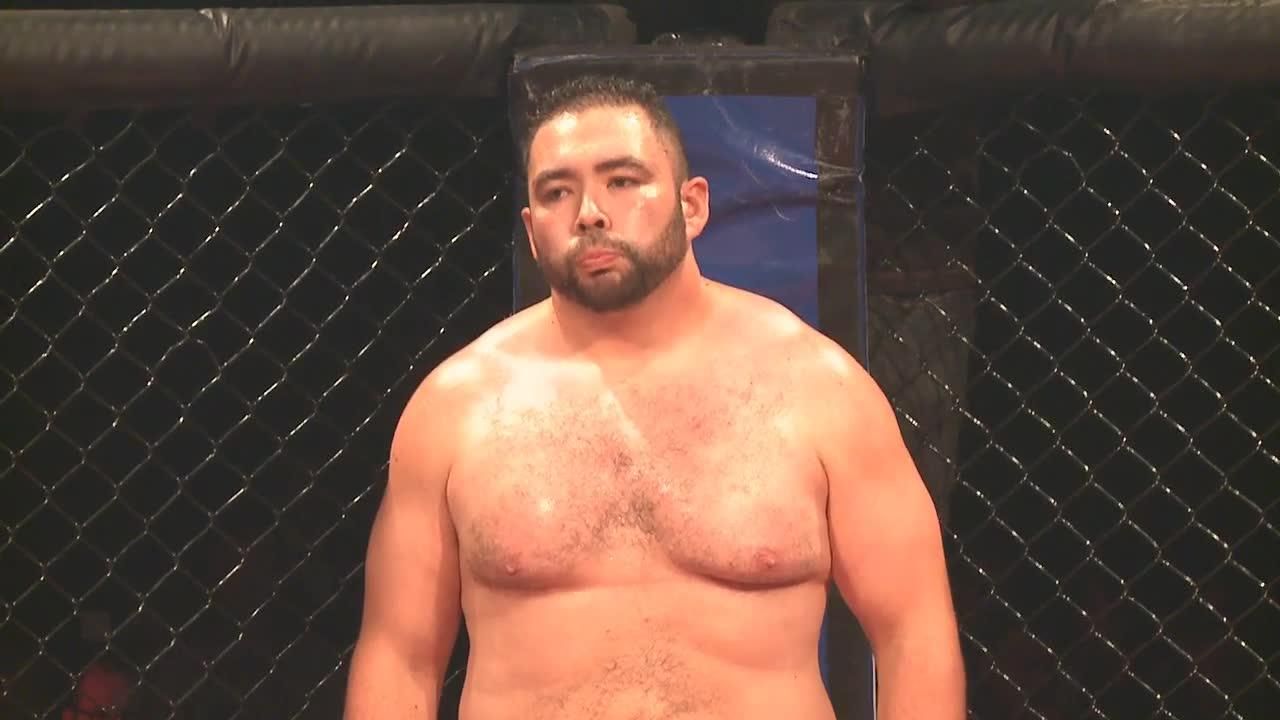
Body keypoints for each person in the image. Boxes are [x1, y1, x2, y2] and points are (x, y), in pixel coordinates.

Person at [344, 75, 965, 720]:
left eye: (622, 180)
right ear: (530, 230)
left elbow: (914, 632)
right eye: (557, 192)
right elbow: (400, 658)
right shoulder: (456, 408)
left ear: (692, 206)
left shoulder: (818, 389)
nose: (589, 212)